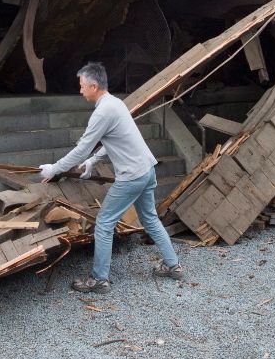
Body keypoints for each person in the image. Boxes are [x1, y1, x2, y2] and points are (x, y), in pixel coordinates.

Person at [39, 62, 182, 294]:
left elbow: (81, 149)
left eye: (82, 86)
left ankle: (99, 280)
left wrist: (54, 168)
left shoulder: (103, 111)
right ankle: (173, 265)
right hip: (147, 169)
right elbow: (114, 140)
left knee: (104, 225)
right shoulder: (115, 104)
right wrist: (93, 162)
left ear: (94, 86)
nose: (80, 91)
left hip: (132, 176)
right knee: (150, 219)